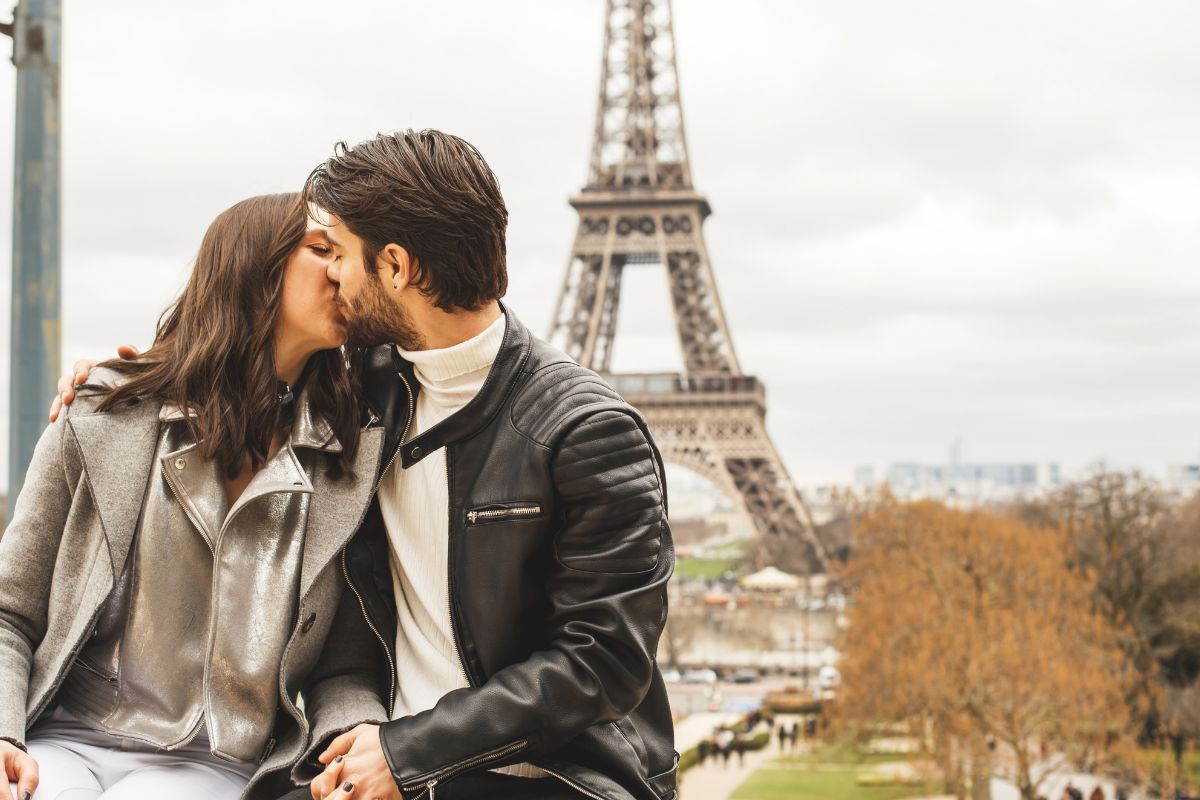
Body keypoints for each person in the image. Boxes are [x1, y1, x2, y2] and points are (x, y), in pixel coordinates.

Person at [58, 130, 676, 800]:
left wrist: (409, 753)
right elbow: (240, 373)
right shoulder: (367, 385)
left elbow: (603, 661)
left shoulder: (588, 430)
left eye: (340, 255)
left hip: (539, 775)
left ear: (397, 267)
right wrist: (131, 384)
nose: (333, 276)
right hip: (370, 757)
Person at [4, 194, 387, 800]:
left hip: (214, 763)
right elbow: (10, 611)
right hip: (64, 737)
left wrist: (358, 737)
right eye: (323, 251)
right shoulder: (103, 414)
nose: (344, 270)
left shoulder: (351, 458)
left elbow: (344, 666)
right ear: (253, 269)